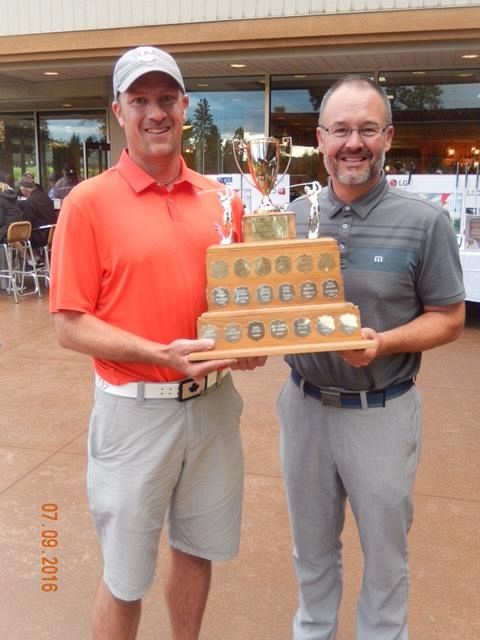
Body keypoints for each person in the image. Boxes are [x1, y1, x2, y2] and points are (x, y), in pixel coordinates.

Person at [49, 45, 266, 640]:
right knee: (125, 578)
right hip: (135, 413)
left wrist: (254, 341)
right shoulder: (87, 204)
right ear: (118, 111)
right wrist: (156, 353)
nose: (155, 113)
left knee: (197, 551)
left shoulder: (222, 201)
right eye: (139, 100)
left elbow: (241, 304)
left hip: (214, 406)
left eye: (165, 99)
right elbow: (70, 324)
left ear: (185, 106)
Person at [277, 76, 465, 640]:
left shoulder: (422, 221)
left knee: (385, 558)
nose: (352, 143)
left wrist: (384, 343)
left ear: (387, 136)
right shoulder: (290, 217)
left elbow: (449, 317)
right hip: (304, 406)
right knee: (310, 549)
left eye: (365, 129)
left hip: (381, 411)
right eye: (340, 130)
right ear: (320, 138)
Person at [18, 174, 56, 249]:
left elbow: (28, 222)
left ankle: (32, 259)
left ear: (24, 190)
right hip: (51, 232)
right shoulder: (45, 196)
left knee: (17, 238)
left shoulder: (31, 201)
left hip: (40, 235)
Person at [0, 177, 22, 242]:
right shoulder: (13, 196)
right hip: (18, 228)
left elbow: (0, 221)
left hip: (6, 230)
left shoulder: (1, 199)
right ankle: (24, 252)